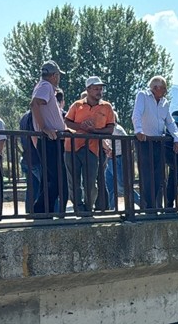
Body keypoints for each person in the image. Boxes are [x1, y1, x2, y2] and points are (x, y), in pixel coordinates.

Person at [64, 76, 115, 214]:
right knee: (73, 180)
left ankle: (88, 207)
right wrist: (81, 126)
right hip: (72, 147)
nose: (99, 91)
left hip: (93, 148)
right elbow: (67, 122)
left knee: (91, 181)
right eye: (96, 88)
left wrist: (94, 131)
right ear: (88, 90)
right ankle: (78, 207)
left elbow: (110, 129)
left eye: (101, 89)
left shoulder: (107, 107)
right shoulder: (77, 105)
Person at [133, 75, 178, 212]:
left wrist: (177, 138)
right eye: (164, 88)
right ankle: (148, 206)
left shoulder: (164, 102)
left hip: (159, 141)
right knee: (147, 175)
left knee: (159, 176)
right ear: (155, 88)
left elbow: (170, 122)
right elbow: (137, 113)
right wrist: (138, 130)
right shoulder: (143, 96)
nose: (165, 91)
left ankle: (155, 205)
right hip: (144, 141)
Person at [30, 61, 68, 215]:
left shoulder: (43, 86)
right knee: (58, 179)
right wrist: (44, 128)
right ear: (54, 75)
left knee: (49, 179)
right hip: (50, 140)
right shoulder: (45, 86)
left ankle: (44, 212)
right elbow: (35, 104)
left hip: (50, 139)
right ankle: (40, 210)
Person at [104, 124, 140, 210]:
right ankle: (112, 208)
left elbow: (127, 143)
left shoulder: (115, 129)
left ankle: (141, 203)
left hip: (118, 158)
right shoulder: (109, 128)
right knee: (111, 186)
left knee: (122, 186)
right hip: (111, 158)